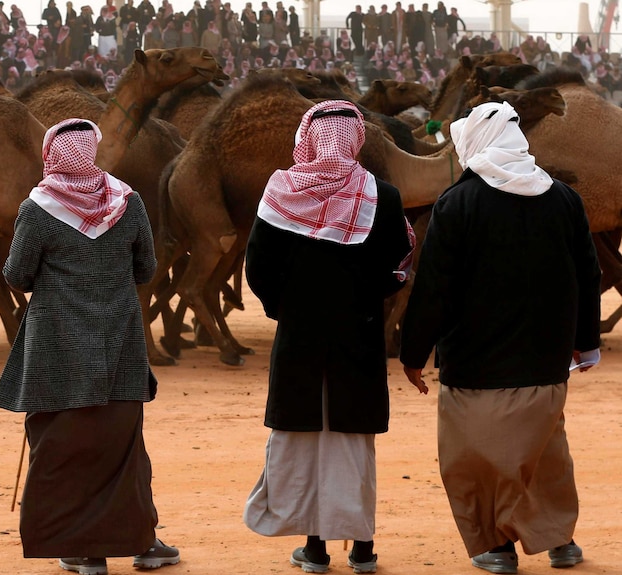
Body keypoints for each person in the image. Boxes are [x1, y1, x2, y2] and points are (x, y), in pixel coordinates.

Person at [399, 101, 601, 574]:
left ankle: (496, 546)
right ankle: (559, 539)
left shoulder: (457, 203)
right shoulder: (564, 199)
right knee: (544, 451)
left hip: (475, 364)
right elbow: (587, 274)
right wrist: (584, 339)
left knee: (476, 458)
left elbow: (434, 287)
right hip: (544, 359)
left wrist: (413, 352)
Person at [0, 118, 180, 575]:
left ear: (52, 154)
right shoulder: (127, 201)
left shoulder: (38, 207)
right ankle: (140, 542)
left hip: (56, 344)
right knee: (120, 442)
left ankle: (81, 549)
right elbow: (146, 269)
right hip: (119, 340)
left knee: (62, 441)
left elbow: (17, 275)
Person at [242, 100, 416, 575]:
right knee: (351, 441)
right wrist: (366, 301)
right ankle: (362, 549)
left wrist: (286, 308)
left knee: (304, 438)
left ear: (309, 138)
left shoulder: (281, 192)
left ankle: (314, 549)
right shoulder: (383, 195)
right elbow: (399, 265)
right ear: (356, 139)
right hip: (357, 338)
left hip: (300, 337)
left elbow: (257, 267)